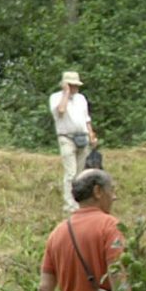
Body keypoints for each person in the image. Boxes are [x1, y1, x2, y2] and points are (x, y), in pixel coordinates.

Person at [49, 70, 96, 210]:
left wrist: (91, 134)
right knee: (71, 173)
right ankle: (70, 204)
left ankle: (80, 201)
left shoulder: (81, 98)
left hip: (82, 138)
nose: (75, 88)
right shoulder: (56, 98)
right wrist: (66, 93)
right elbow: (61, 111)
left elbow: (86, 119)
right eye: (72, 85)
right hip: (66, 138)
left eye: (76, 85)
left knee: (81, 173)